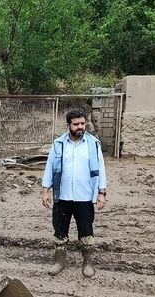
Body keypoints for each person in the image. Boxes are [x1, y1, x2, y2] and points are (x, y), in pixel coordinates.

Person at [41, 109, 107, 278]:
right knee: (60, 229)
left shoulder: (93, 144)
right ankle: (59, 262)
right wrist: (45, 190)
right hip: (62, 196)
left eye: (83, 124)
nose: (80, 127)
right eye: (76, 124)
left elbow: (101, 169)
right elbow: (50, 167)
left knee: (86, 230)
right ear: (68, 125)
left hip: (85, 197)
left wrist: (101, 192)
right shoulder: (58, 144)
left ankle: (87, 263)